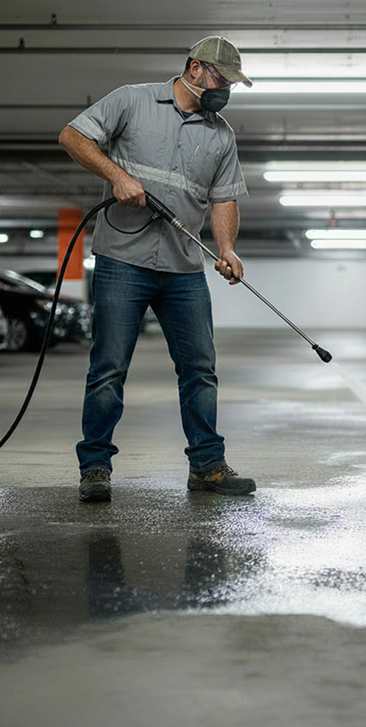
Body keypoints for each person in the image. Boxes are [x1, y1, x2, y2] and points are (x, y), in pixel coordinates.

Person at [59, 35, 255, 503]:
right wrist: (117, 176)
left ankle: (207, 466)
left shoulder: (221, 134)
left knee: (200, 369)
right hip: (122, 259)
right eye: (221, 78)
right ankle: (95, 469)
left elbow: (223, 199)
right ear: (194, 68)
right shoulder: (133, 100)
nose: (225, 88)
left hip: (184, 268)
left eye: (232, 82)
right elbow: (72, 135)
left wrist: (227, 248)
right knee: (109, 367)